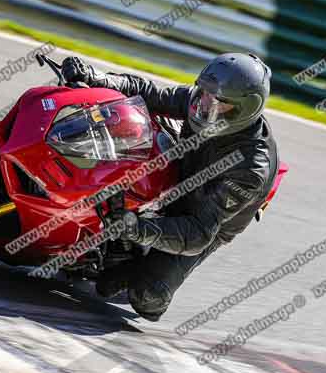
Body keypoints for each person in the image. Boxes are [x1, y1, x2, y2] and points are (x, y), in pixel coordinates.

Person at [61, 53, 280, 321]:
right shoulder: (202, 102)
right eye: (203, 94)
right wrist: (96, 77)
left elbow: (199, 232)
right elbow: (148, 92)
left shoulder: (250, 168)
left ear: (242, 110)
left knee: (146, 295)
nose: (204, 105)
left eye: (217, 103)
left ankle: (137, 263)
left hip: (204, 219)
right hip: (186, 166)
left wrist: (136, 229)